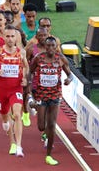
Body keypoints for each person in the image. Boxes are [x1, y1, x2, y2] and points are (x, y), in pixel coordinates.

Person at [0, 24, 29, 157]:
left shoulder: (21, 52)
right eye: (7, 36)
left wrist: (25, 79)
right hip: (2, 91)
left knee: (16, 115)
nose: (10, 39)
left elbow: (26, 67)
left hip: (16, 89)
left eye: (12, 36)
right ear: (4, 37)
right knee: (5, 116)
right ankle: (5, 122)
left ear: (16, 38)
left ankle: (18, 146)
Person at [29, 36, 72, 165]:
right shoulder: (38, 58)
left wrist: (69, 80)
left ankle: (48, 155)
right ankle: (35, 107)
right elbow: (30, 72)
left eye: (53, 46)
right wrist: (30, 86)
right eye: (48, 46)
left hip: (55, 96)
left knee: (52, 126)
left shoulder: (61, 59)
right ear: (45, 46)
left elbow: (70, 74)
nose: (51, 48)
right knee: (41, 126)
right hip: (41, 96)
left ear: (56, 47)